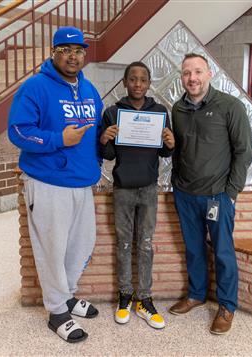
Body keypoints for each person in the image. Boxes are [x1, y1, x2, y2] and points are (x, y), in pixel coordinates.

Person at [7, 26, 103, 344]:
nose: (73, 56)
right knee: (53, 249)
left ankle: (67, 296)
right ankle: (57, 312)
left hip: (82, 183)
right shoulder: (35, 87)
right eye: (66, 50)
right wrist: (58, 139)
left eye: (78, 51)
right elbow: (18, 131)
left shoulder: (90, 91)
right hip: (47, 182)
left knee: (80, 247)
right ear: (54, 52)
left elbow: (93, 132)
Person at [168, 53, 252, 335]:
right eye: (186, 73)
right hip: (185, 194)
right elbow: (178, 150)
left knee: (223, 253)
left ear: (209, 74)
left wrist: (231, 193)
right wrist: (176, 184)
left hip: (218, 195)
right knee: (193, 249)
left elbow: (243, 153)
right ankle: (196, 294)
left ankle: (227, 306)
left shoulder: (230, 106)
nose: (191, 78)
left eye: (197, 72)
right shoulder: (177, 109)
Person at [100, 61, 175, 329]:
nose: (138, 84)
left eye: (143, 79)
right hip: (122, 188)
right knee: (123, 244)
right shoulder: (112, 112)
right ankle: (125, 296)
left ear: (149, 83)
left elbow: (164, 153)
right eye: (133, 79)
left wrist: (170, 144)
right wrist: (104, 139)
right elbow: (107, 156)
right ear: (125, 82)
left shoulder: (160, 112)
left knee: (145, 243)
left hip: (148, 189)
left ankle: (144, 299)